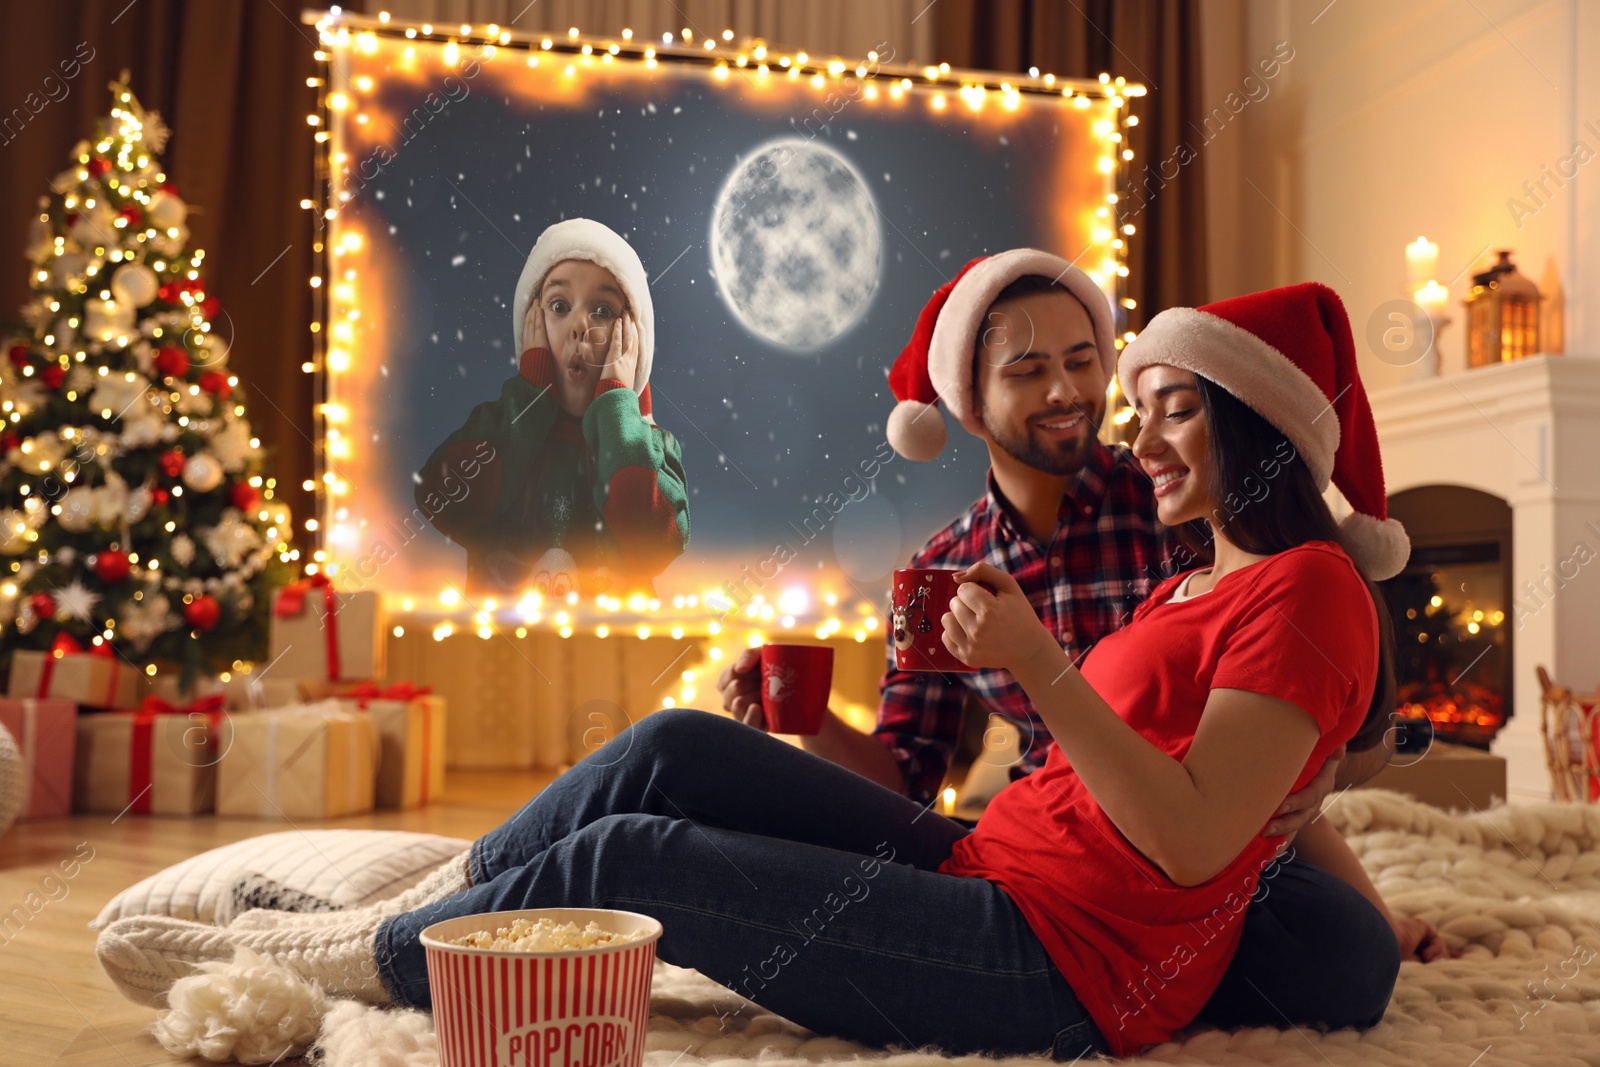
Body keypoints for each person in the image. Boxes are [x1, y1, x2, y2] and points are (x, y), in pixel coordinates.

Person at [97, 282, 1453, 1061]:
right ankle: (421, 897)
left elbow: (1205, 827)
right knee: (676, 748)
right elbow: (1260, 791)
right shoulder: (1195, 571)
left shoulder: (1312, 589)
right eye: (1136, 406)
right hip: (991, 858)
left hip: (1068, 962)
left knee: (633, 855)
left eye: (1170, 408)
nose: (1134, 431)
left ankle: (338, 959)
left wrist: (1044, 669)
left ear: (1257, 430)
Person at [721, 252, 1418, 1030]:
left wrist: (1320, 769)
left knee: (1351, 948)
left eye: (1082, 361)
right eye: (1026, 370)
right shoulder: (940, 575)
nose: (1064, 391)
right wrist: (808, 721)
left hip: (1201, 855)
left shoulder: (1180, 511)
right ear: (970, 403)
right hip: (1041, 837)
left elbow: (1324, 710)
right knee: (700, 786)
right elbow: (906, 775)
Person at [415, 218, 689, 598]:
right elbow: (444, 502)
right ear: (531, 325)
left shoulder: (654, 448)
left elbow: (652, 542)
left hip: (614, 656)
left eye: (603, 311)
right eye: (559, 305)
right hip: (499, 654)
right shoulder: (498, 428)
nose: (580, 325)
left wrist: (617, 406)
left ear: (633, 340)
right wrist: (530, 396)